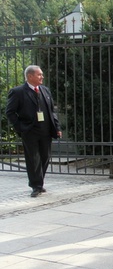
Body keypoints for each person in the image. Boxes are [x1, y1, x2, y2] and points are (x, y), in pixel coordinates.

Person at [6, 65, 62, 197]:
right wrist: (20, 127)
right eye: (39, 75)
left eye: (41, 74)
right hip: (29, 131)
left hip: (46, 130)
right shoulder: (18, 92)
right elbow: (10, 112)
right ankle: (36, 185)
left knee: (45, 157)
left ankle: (39, 181)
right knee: (33, 159)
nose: (42, 76)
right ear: (30, 76)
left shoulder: (45, 91)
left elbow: (52, 111)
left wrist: (57, 127)